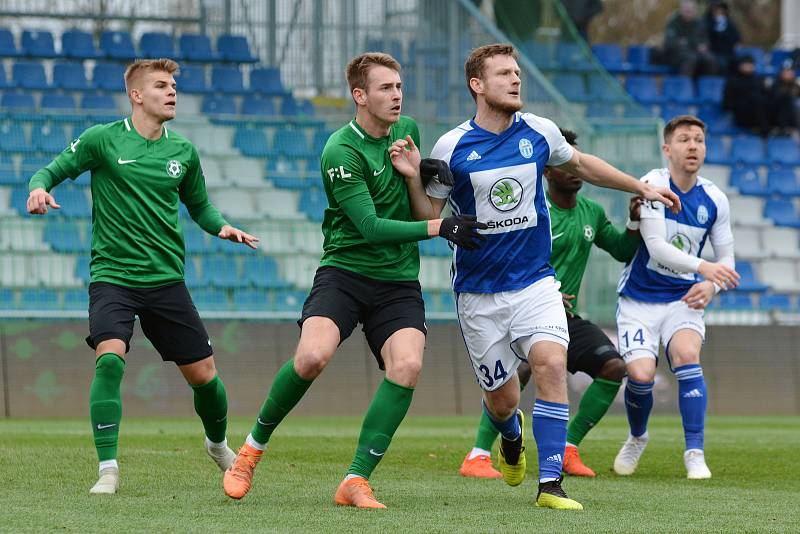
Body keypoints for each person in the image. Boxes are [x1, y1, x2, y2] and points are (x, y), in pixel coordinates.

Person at [401, 43, 680, 510]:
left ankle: (550, 485)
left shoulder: (539, 131)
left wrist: (639, 185)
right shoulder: (451, 146)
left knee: (550, 364)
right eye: (504, 74)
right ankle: (511, 437)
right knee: (503, 402)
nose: (515, 80)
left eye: (517, 73)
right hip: (478, 294)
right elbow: (429, 215)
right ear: (478, 85)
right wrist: (413, 177)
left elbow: (582, 164)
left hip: (535, 283)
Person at [222, 52, 486, 508]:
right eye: (385, 88)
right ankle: (249, 452)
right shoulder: (340, 150)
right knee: (312, 357)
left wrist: (421, 184)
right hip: (345, 271)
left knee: (407, 366)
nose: (397, 94)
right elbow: (371, 229)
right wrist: (440, 227)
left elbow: (423, 211)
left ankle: (355, 480)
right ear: (359, 96)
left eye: (399, 86)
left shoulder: (408, 132)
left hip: (398, 280)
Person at [26, 58, 259, 494]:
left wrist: (221, 226)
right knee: (110, 358)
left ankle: (216, 444)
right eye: (160, 85)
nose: (171, 92)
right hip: (113, 276)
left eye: (173, 85)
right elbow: (50, 171)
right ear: (137, 95)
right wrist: (40, 189)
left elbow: (200, 206)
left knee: (205, 376)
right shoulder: (102, 139)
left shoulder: (183, 151)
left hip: (166, 280)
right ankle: (108, 469)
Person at [458, 129, 640, 480]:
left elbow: (621, 250)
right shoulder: (533, 211)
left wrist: (634, 221)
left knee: (614, 368)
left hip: (566, 318)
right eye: (563, 162)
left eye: (576, 161)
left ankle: (569, 447)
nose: (572, 169)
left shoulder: (591, 212)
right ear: (547, 170)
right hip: (527, 310)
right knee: (521, 371)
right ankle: (478, 454)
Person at [613, 115, 739, 480]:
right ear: (668, 149)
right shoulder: (654, 184)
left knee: (686, 355)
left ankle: (695, 452)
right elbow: (655, 248)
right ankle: (638, 437)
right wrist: (705, 268)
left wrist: (711, 285)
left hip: (682, 301)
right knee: (640, 375)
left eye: (699, 139)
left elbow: (727, 259)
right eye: (684, 139)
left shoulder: (714, 198)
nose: (693, 146)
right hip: (638, 300)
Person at [662, 0, 716, 77]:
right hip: (676, 56)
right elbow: (670, 43)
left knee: (710, 59)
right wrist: (689, 44)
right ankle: (683, 86)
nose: (689, 12)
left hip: (697, 54)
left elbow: (706, 41)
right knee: (691, 59)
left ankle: (707, 87)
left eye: (691, 10)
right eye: (687, 10)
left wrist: (704, 46)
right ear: (681, 10)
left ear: (695, 11)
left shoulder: (700, 24)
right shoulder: (673, 23)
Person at [722, 55, 769, 135]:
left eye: (751, 64)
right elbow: (727, 104)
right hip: (741, 114)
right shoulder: (733, 81)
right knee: (755, 99)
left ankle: (784, 129)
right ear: (740, 66)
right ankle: (766, 131)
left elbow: (766, 98)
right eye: (746, 64)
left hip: (761, 112)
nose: (749, 67)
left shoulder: (758, 80)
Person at [705, 1, 740, 74]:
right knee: (721, 64)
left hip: (729, 52)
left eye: (721, 10)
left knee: (739, 64)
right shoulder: (707, 23)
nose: (719, 12)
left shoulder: (729, 23)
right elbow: (708, 38)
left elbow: (737, 37)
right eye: (716, 10)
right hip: (715, 53)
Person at [767, 64, 800, 134]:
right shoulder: (775, 86)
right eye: (786, 72)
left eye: (790, 72)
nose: (788, 75)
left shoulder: (796, 85)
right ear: (781, 73)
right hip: (779, 120)